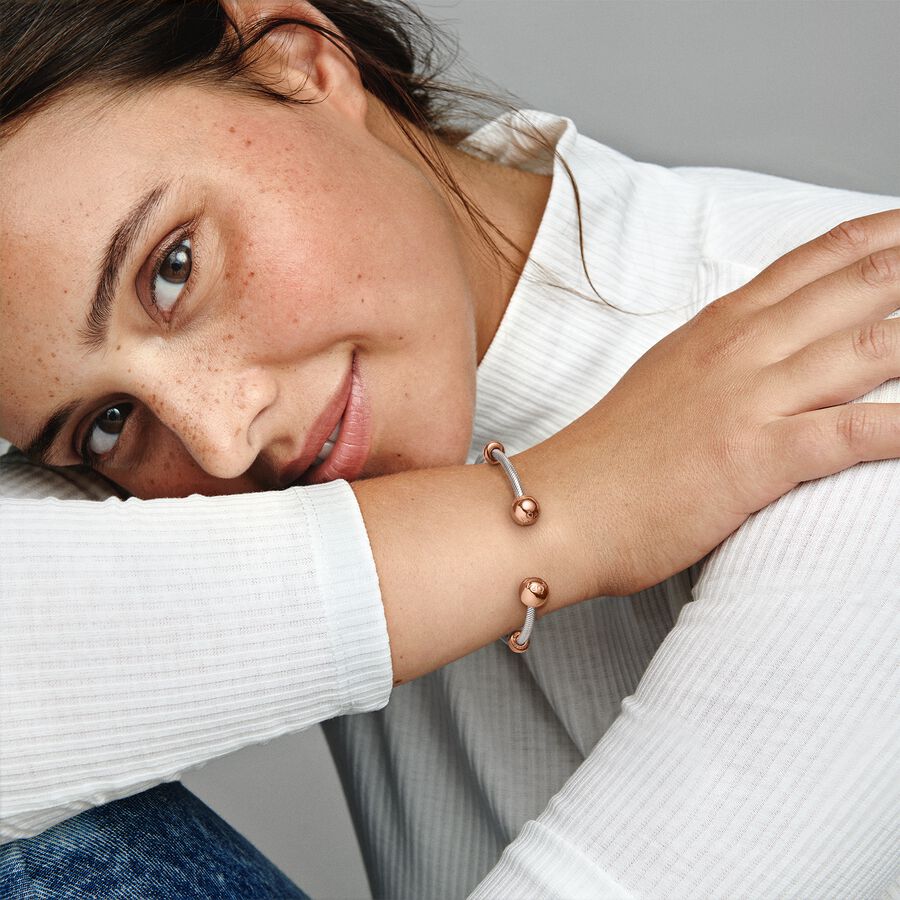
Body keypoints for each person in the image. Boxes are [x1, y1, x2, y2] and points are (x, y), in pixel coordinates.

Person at [1, 1, 898, 897]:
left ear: (301, 61)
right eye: (108, 422)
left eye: (173, 268)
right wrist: (560, 515)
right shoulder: (246, 469)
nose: (222, 445)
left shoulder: (849, 410)